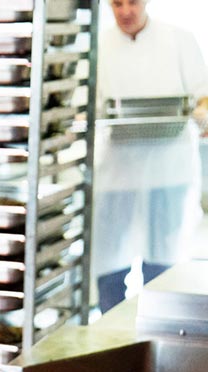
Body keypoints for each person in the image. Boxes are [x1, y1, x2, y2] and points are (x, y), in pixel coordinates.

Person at [93, 0, 208, 313]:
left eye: (133, 2)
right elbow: (88, 106)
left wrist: (202, 115)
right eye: (117, 4)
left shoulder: (179, 39)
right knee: (110, 260)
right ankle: (109, 342)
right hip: (118, 172)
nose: (126, 11)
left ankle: (157, 339)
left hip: (168, 170)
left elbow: (203, 95)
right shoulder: (98, 45)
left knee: (163, 262)